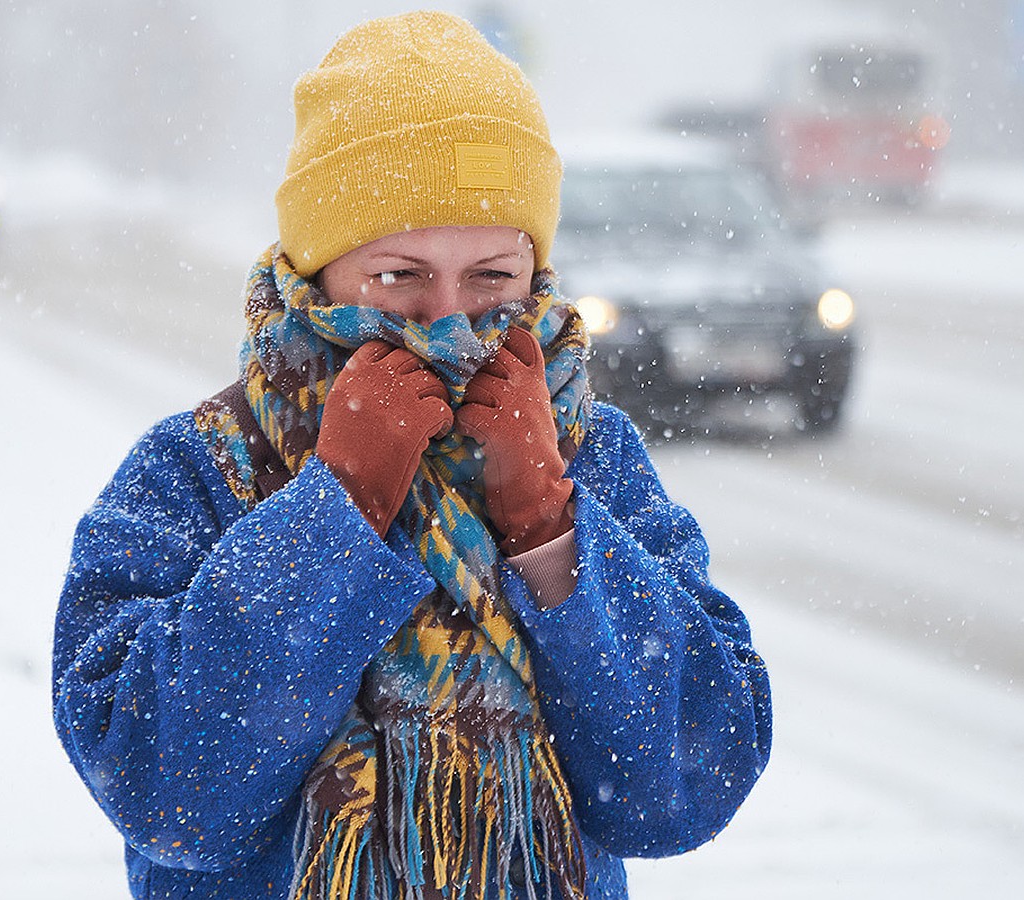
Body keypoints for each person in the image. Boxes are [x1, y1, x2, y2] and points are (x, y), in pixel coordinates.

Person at [52, 11, 772, 900]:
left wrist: (550, 527)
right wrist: (339, 506)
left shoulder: (592, 458)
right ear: (320, 273)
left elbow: (685, 788)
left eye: (492, 278)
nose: (450, 323)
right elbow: (172, 794)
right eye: (399, 277)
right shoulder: (200, 467)